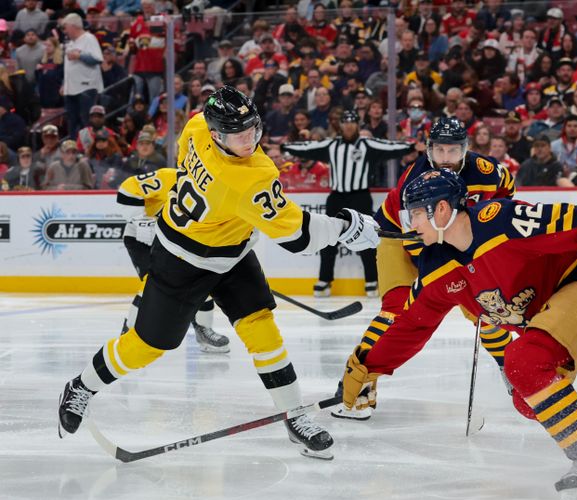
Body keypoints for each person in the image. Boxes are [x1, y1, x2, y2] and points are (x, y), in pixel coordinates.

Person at [57, 86, 381, 460]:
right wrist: (346, 226)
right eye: (239, 134)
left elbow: (196, 174)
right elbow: (299, 237)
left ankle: (294, 413)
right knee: (149, 344)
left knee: (261, 326)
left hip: (230, 252)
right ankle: (81, 386)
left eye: (253, 129)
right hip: (181, 261)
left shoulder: (196, 126)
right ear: (217, 134)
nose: (250, 139)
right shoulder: (247, 176)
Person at [339, 169, 577, 500]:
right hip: (545, 313)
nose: (410, 224)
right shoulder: (436, 265)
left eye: (414, 213)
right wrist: (369, 364)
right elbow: (412, 323)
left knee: (524, 363)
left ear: (441, 209)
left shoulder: (500, 219)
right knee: (525, 396)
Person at [330, 117, 517, 420]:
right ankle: (360, 381)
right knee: (395, 311)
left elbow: (506, 192)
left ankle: (510, 368)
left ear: (465, 149)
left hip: (450, 239)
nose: (446, 158)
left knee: (488, 307)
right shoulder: (414, 179)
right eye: (440, 151)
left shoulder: (486, 170)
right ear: (429, 149)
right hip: (402, 238)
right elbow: (419, 245)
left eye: (453, 151)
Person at [281, 110, 416, 297]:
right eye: (345, 122)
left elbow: (390, 147)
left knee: (366, 236)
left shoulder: (367, 144)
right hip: (336, 197)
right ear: (341, 125)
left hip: (360, 197)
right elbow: (308, 147)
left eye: (352, 122)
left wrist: (410, 146)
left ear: (357, 125)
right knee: (328, 238)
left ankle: (371, 280)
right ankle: (325, 280)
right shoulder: (332, 145)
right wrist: (286, 147)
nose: (349, 125)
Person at [116, 168, 231, 352]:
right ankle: (128, 334)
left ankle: (204, 332)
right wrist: (140, 219)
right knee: (151, 283)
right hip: (143, 239)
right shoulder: (168, 176)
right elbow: (128, 188)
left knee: (203, 283)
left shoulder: (216, 189)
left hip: (178, 243)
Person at [61, 13, 103, 138]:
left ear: (73, 26)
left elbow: (97, 59)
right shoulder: (71, 43)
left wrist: (80, 56)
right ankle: (73, 152)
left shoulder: (89, 38)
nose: (64, 31)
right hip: (71, 89)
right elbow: (69, 68)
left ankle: (89, 151)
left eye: (66, 27)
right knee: (72, 124)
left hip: (86, 88)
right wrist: (65, 83)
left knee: (87, 123)